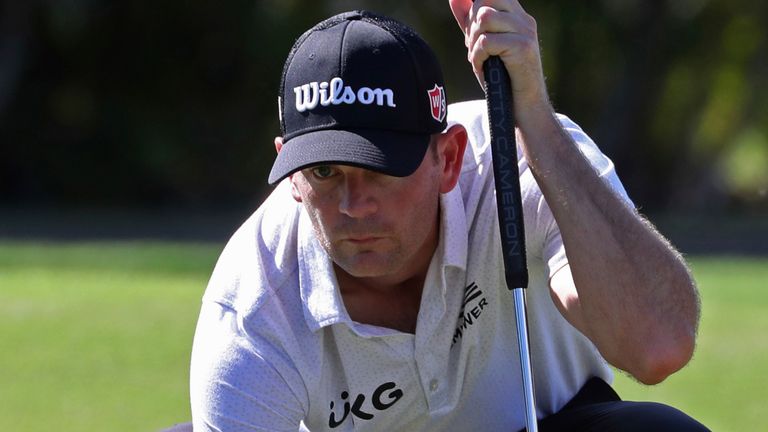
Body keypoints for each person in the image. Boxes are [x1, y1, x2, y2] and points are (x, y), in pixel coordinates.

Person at [190, 3, 709, 431]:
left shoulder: (527, 159)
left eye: (382, 168)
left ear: (449, 157)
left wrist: (534, 117)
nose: (355, 205)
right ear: (290, 174)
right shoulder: (252, 312)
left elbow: (658, 344)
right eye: (325, 172)